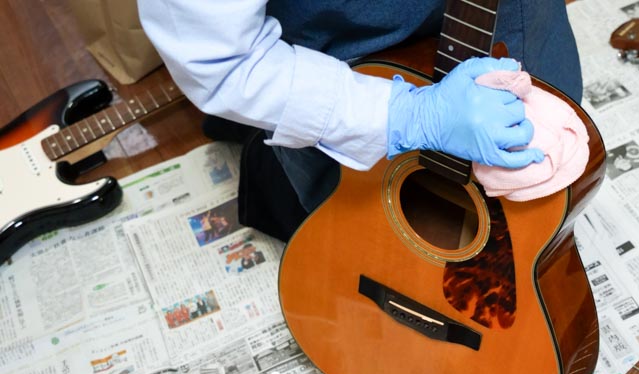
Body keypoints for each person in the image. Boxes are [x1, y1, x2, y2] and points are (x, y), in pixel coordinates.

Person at [137, 1, 583, 241]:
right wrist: (407, 116)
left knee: (526, 221)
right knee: (361, 237)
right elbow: (221, 61)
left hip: (507, 19)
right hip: (342, 54)